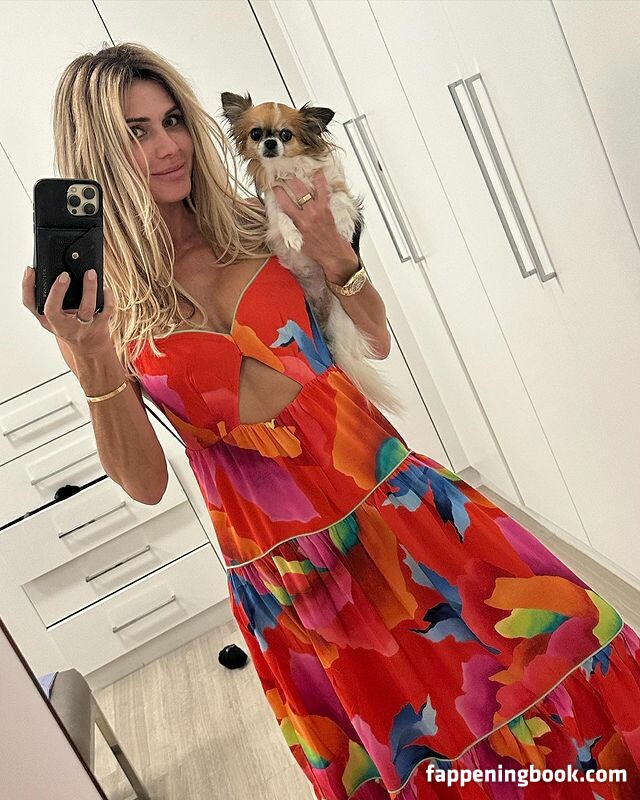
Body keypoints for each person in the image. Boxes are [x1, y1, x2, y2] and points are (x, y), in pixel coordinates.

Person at [22, 43, 640, 800]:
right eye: (137, 132)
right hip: (293, 577)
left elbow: (373, 337)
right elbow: (146, 483)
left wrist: (334, 254)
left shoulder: (262, 225)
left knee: (552, 669)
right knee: (421, 755)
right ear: (95, 153)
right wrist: (90, 358)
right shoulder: (102, 304)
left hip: (398, 508)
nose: (169, 145)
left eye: (173, 120)